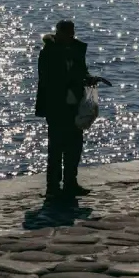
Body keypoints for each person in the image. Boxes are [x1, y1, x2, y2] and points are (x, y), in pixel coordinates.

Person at [34, 19, 97, 199]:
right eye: (66, 33)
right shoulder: (48, 52)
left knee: (74, 146)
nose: (70, 36)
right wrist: (73, 79)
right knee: (56, 148)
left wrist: (88, 78)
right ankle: (52, 187)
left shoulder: (77, 50)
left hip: (75, 106)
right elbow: (47, 79)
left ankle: (71, 183)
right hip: (55, 106)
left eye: (71, 33)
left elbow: (82, 71)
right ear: (58, 33)